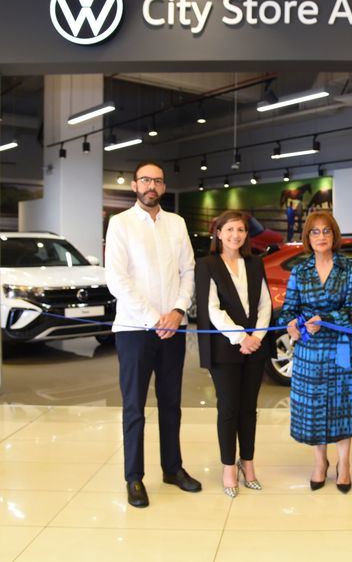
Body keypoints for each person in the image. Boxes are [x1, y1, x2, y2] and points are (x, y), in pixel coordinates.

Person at [105, 161, 202, 508]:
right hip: (134, 330)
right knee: (134, 407)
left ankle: (172, 469)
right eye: (145, 180)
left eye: (158, 181)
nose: (152, 186)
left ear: (163, 187)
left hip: (173, 329)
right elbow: (117, 279)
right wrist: (153, 318)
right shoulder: (120, 224)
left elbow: (188, 271)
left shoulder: (176, 223)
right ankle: (134, 478)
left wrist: (177, 311)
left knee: (171, 404)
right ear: (134, 185)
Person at [278, 211, 352, 493]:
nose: (321, 237)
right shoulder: (300, 271)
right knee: (315, 408)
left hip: (341, 348)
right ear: (307, 237)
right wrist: (292, 324)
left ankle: (344, 464)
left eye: (326, 231)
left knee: (342, 405)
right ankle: (320, 463)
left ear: (334, 235)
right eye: (315, 232)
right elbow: (288, 310)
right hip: (309, 351)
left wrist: (324, 321)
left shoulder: (350, 268)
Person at [195, 211, 274, 498]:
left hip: (255, 346)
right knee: (228, 409)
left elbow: (265, 303)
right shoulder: (207, 265)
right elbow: (211, 309)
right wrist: (241, 336)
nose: (235, 235)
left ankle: (248, 463)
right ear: (218, 233)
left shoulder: (254, 263)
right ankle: (229, 466)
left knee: (248, 409)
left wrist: (257, 337)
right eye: (229, 230)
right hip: (225, 348)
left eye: (240, 230)